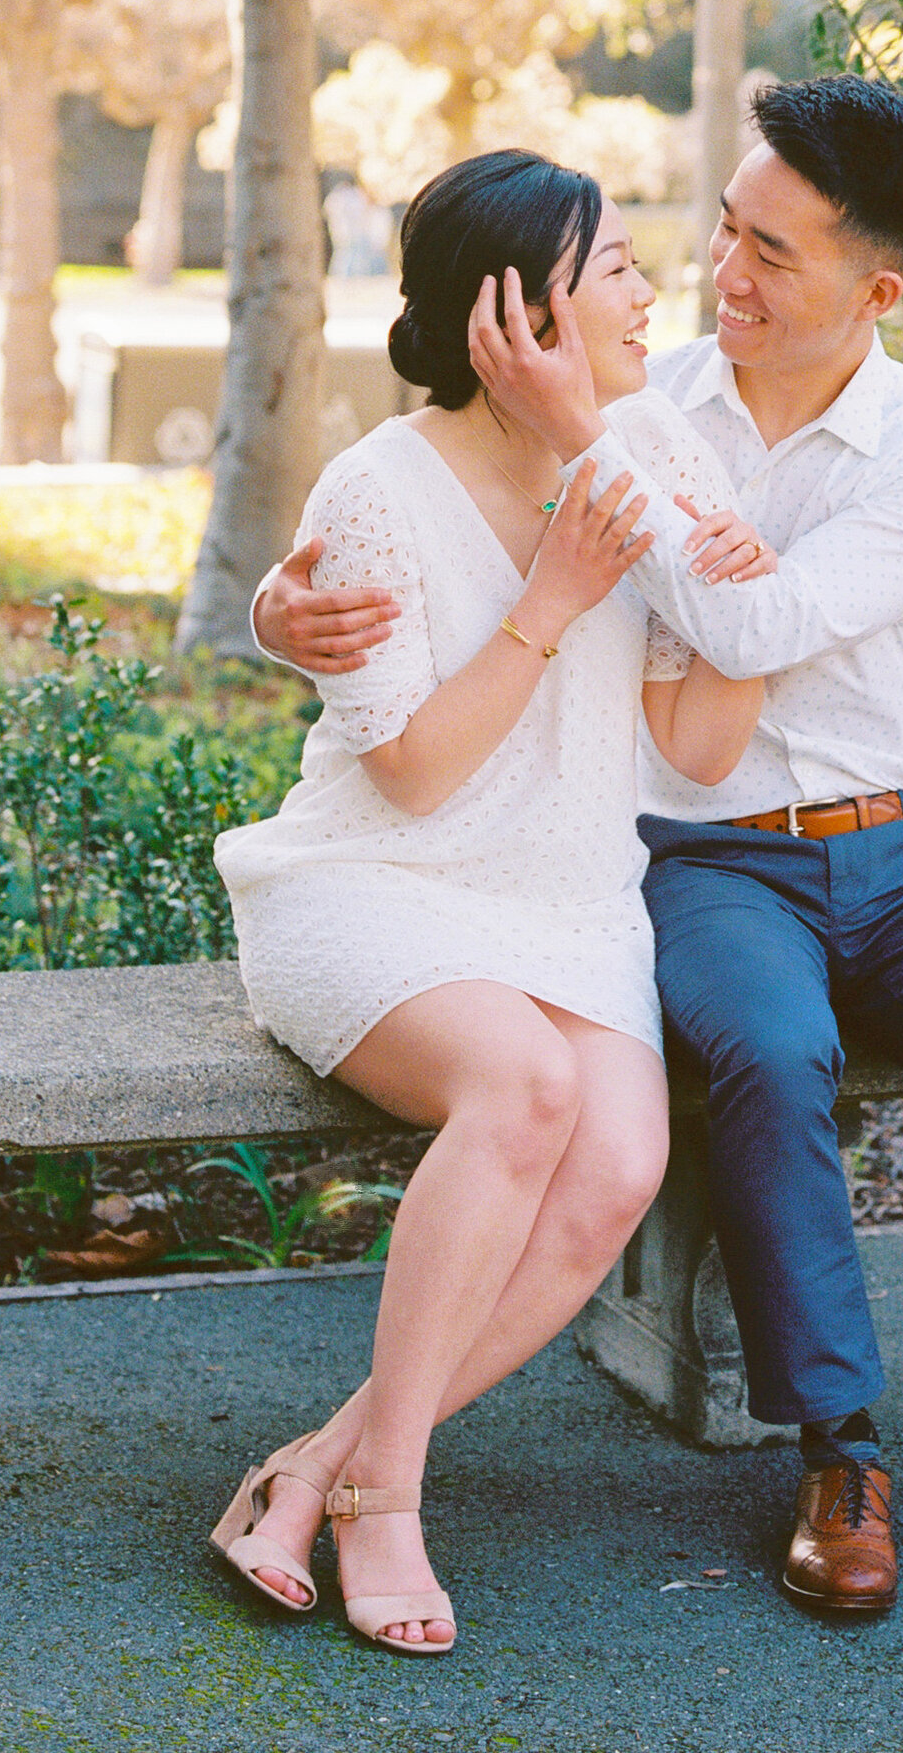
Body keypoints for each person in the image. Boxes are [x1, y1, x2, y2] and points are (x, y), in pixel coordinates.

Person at [255, 74, 903, 1620]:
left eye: (772, 256)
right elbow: (466, 533)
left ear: (874, 290)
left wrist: (599, 454)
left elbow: (732, 639)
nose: (719, 277)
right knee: (761, 1057)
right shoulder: (641, 394)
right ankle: (840, 1455)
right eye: (723, 233)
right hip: (710, 861)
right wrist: (297, 620)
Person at [208, 149, 769, 1654]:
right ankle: (390, 1501)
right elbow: (412, 781)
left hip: (569, 904)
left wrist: (741, 616)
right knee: (525, 1094)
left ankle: (322, 1461)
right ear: (514, 316)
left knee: (617, 1164)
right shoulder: (376, 488)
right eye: (617, 271)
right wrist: (552, 602)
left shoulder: (654, 450)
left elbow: (699, 742)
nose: (654, 295)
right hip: (371, 886)